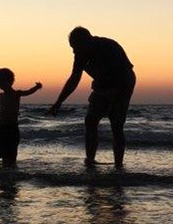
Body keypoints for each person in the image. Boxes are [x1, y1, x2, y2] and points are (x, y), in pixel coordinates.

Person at [47, 26, 135, 168]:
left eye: (75, 47)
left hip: (123, 82)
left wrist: (115, 97)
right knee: (90, 120)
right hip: (101, 84)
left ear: (86, 41)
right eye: (72, 48)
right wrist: (58, 102)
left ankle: (118, 165)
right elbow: (74, 79)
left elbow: (123, 74)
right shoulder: (80, 54)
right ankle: (90, 160)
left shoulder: (108, 46)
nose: (74, 51)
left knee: (116, 123)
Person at [0, 68, 42, 167]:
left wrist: (36, 87)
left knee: (12, 153)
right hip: (2, 128)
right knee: (3, 153)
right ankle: (5, 172)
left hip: (12, 128)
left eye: (1, 81)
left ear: (10, 81)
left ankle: (12, 171)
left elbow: (28, 92)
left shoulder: (17, 94)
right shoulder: (0, 96)